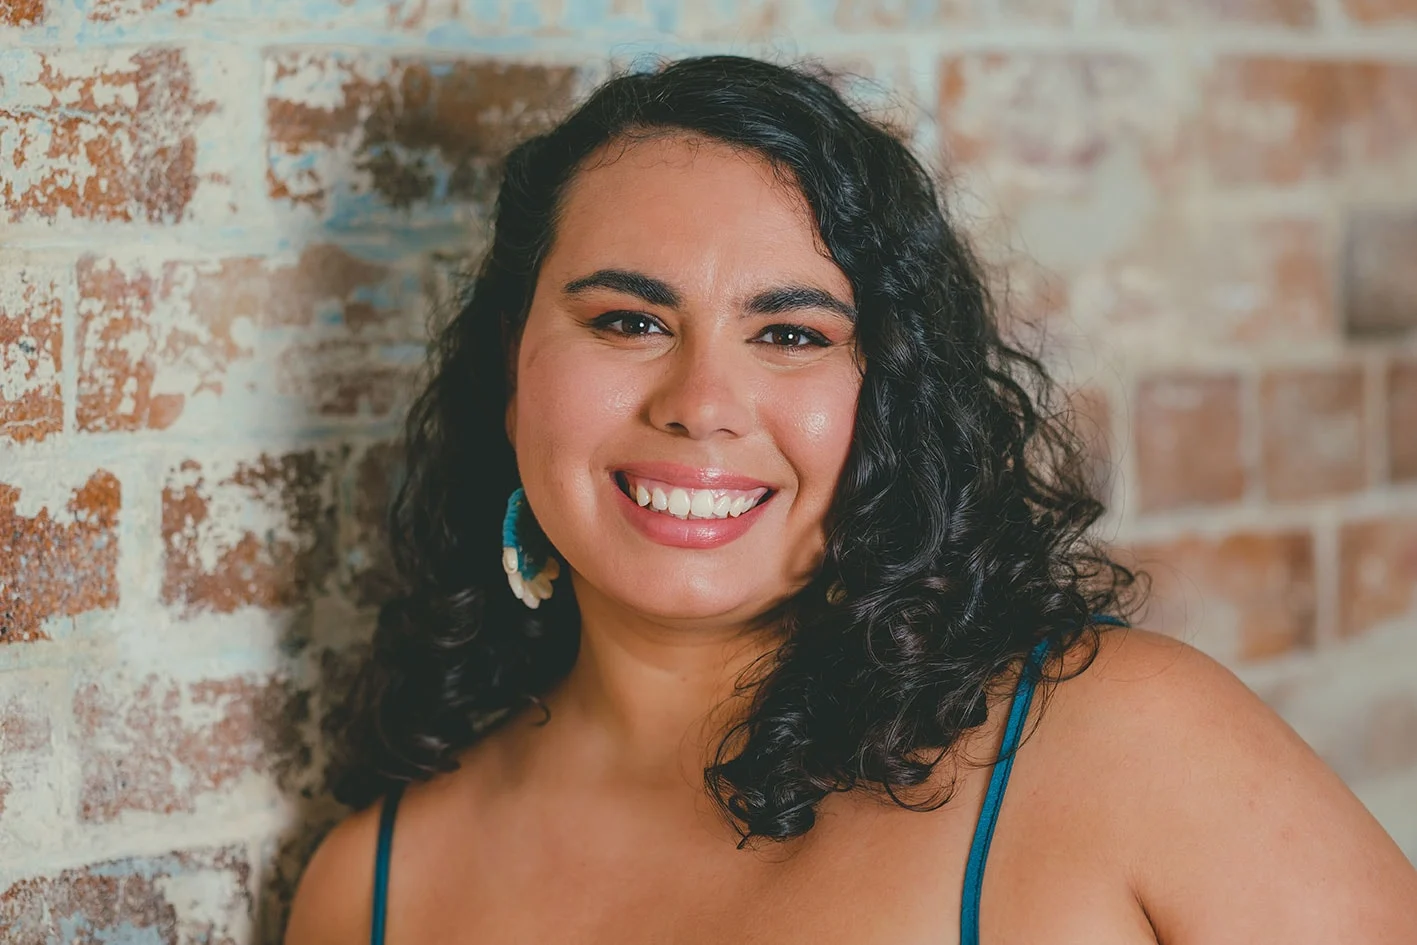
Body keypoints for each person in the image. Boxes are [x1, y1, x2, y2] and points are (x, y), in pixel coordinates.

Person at [285, 55, 1417, 944]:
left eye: (791, 334)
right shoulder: (375, 889)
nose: (702, 404)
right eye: (627, 321)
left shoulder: (1125, 748)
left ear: (892, 394)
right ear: (511, 363)